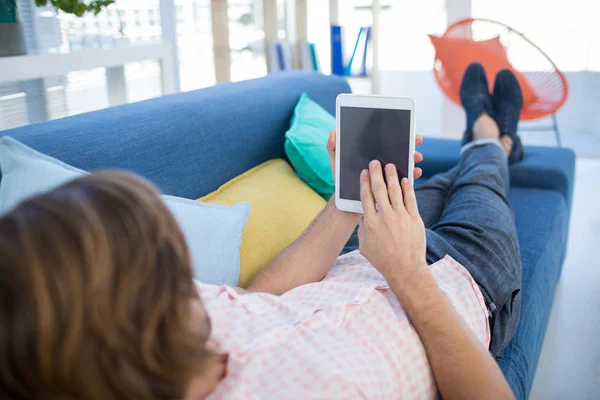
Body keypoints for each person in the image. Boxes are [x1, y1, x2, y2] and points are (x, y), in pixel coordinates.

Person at [0, 62, 522, 400]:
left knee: (434, 176)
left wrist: (345, 200)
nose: (183, 266)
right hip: (464, 284)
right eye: (161, 258)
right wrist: (407, 272)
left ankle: (486, 142)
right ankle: (488, 135)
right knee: (482, 176)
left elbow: (263, 296)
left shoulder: (183, 313)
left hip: (374, 244)